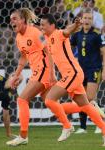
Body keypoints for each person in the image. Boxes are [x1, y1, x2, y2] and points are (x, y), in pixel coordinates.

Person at [6, 8, 73, 146]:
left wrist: (52, 73)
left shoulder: (35, 32)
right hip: (37, 71)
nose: (11, 21)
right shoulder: (19, 38)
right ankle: (85, 107)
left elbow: (48, 50)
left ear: (23, 20)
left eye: (14, 18)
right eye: (10, 19)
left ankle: (23, 136)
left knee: (22, 100)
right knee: (52, 103)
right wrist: (16, 75)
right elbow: (24, 57)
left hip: (44, 70)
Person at [40, 13, 105, 146]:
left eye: (43, 25)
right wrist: (52, 74)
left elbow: (67, 30)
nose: (41, 27)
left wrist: (75, 24)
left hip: (73, 74)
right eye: (40, 25)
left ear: (52, 26)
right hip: (72, 74)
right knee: (85, 106)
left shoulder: (58, 34)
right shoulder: (48, 39)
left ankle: (67, 126)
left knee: (49, 100)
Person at [70, 8, 105, 134]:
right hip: (81, 70)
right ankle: (83, 127)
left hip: (94, 69)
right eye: (85, 18)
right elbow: (69, 48)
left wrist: (104, 69)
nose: (87, 20)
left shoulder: (96, 36)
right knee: (82, 99)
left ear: (92, 20)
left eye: (90, 18)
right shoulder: (77, 35)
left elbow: (103, 52)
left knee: (89, 97)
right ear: (81, 19)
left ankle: (100, 123)